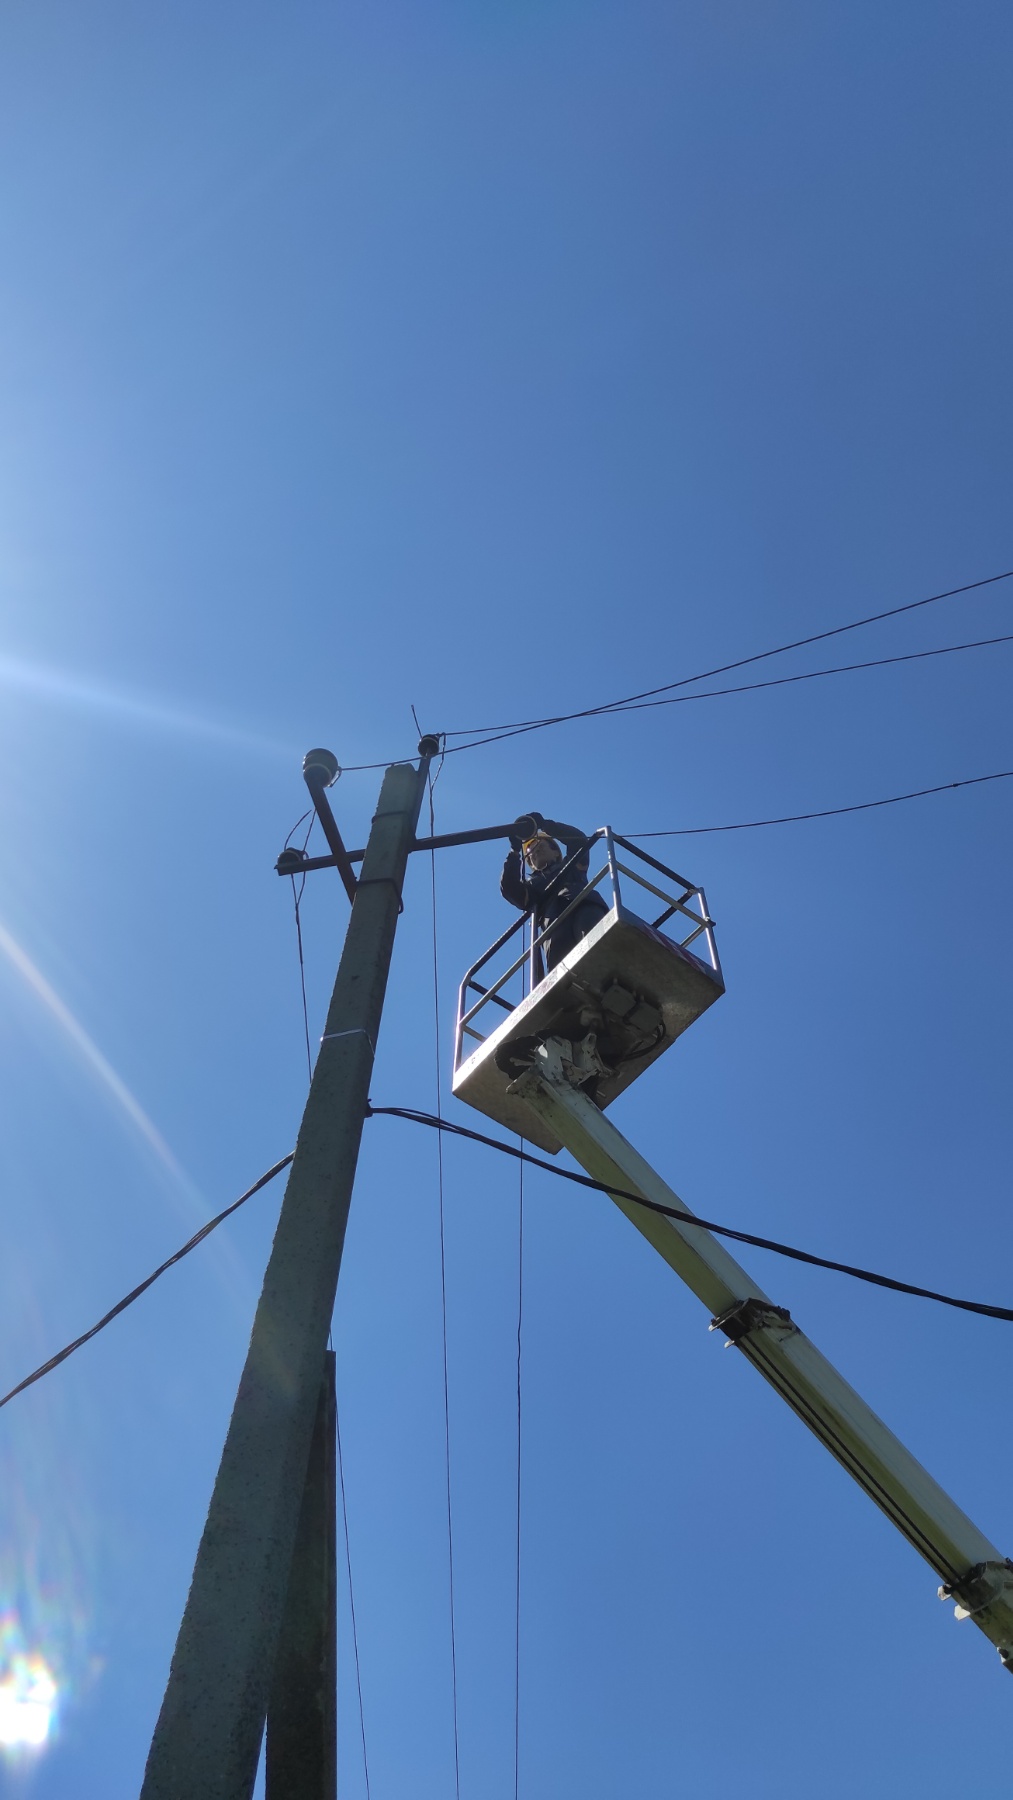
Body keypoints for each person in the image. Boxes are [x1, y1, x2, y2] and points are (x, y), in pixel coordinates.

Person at [500, 813, 608, 973]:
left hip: (583, 907)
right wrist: (514, 852)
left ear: (556, 852)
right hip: (553, 928)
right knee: (563, 973)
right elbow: (509, 888)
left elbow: (578, 840)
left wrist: (545, 825)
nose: (533, 851)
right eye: (529, 855)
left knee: (596, 944)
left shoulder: (572, 866)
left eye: (539, 845)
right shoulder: (531, 888)